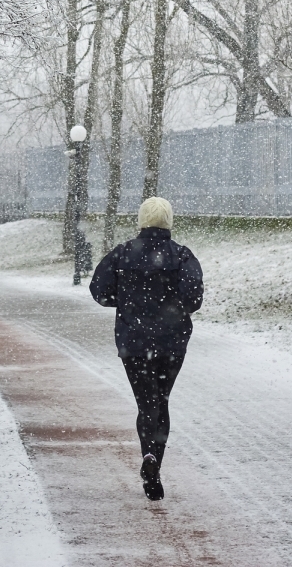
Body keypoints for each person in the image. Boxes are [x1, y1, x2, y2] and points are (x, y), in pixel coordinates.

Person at [89, 197, 203, 501]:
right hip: (171, 343)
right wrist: (170, 311)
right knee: (161, 400)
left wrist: (126, 303)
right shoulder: (181, 256)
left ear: (141, 221)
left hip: (134, 343)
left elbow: (99, 291)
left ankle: (149, 457)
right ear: (168, 221)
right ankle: (154, 460)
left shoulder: (123, 253)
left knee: (146, 402)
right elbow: (194, 299)